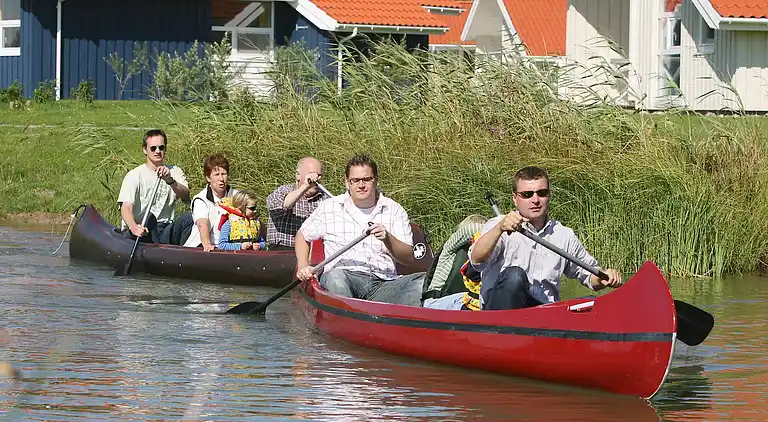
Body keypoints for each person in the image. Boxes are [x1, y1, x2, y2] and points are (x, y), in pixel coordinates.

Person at [468, 166, 623, 310]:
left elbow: (589, 276)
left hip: (542, 313)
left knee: (590, 301)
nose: (535, 200)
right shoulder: (499, 224)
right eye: (527, 194)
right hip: (498, 311)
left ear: (549, 195)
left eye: (541, 193)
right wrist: (499, 228)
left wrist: (603, 277)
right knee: (515, 276)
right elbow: (477, 261)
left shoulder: (564, 235)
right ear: (515, 198)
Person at [295, 154, 424, 307]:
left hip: (384, 283)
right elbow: (302, 235)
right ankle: (347, 317)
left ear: (376, 180)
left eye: (366, 179)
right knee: (336, 278)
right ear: (347, 182)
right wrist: (303, 266)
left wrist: (387, 238)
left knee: (424, 281)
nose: (361, 185)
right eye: (355, 180)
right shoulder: (329, 207)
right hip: (343, 276)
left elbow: (408, 257)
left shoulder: (394, 210)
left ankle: (403, 316)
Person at [117, 129, 190, 243]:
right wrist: (133, 227)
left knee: (190, 217)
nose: (157, 151)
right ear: (145, 150)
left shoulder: (175, 171)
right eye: (153, 148)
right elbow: (126, 207)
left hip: (165, 228)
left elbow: (186, 196)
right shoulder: (134, 175)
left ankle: (185, 250)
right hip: (142, 228)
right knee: (149, 218)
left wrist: (170, 181)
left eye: (161, 147)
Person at [421, 215, 487, 310]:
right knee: (475, 298)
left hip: (459, 302)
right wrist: (498, 229)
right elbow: (469, 230)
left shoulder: (485, 258)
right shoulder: (450, 248)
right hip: (436, 303)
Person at [266, 157, 329, 250]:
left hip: (312, 251)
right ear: (298, 175)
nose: (316, 179)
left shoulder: (325, 198)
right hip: (283, 248)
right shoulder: (284, 191)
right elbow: (279, 206)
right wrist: (305, 186)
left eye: (319, 175)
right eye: (312, 174)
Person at [183, 154, 238, 251]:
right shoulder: (200, 199)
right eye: (217, 175)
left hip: (231, 247)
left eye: (224, 174)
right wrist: (207, 244)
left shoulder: (237, 196)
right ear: (208, 178)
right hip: (203, 247)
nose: (221, 179)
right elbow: (202, 224)